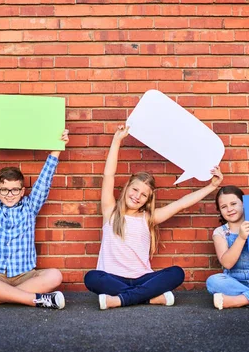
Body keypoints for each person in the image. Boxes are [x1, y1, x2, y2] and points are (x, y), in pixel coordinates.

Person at [84, 125, 223, 310]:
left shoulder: (148, 218)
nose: (137, 196)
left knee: (176, 273)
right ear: (127, 188)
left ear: (148, 200)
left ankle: (119, 299)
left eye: (143, 195)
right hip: (111, 277)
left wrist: (212, 187)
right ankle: (148, 297)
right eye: (135, 190)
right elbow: (108, 175)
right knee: (92, 277)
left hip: (143, 277)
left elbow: (181, 203)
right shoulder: (110, 212)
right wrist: (117, 140)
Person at [0, 122, 69, 309]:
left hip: (24, 276)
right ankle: (35, 300)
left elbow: (45, 180)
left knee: (55, 275)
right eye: (4, 190)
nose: (9, 195)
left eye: (14, 190)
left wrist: (57, 149)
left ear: (22, 191)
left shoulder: (30, 206)